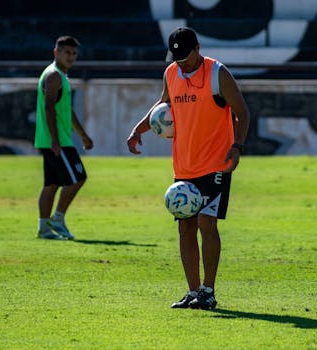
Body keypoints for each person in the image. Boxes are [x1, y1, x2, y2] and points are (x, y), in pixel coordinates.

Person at [127, 27, 250, 309]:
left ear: (198, 47)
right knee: (185, 227)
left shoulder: (217, 73)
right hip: (184, 165)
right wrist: (139, 129)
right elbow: (163, 105)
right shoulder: (171, 73)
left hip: (216, 163)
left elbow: (242, 111)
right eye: (177, 57)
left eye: (186, 56)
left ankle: (209, 290)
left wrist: (238, 146)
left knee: (207, 224)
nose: (182, 63)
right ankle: (193, 291)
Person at [34, 35, 93, 240]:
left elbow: (66, 110)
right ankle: (57, 219)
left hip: (50, 139)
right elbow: (49, 108)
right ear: (56, 52)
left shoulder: (60, 76)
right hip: (57, 141)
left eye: (74, 53)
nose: (71, 56)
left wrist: (83, 135)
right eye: (67, 52)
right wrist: (55, 140)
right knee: (78, 178)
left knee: (51, 184)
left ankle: (43, 228)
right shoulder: (54, 76)